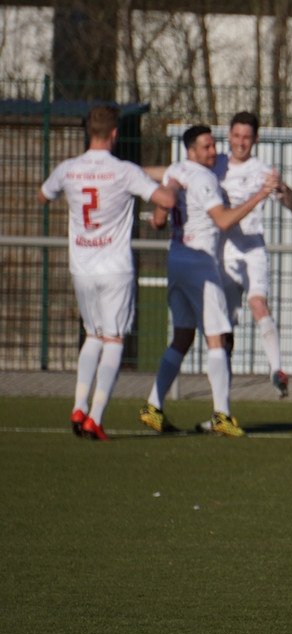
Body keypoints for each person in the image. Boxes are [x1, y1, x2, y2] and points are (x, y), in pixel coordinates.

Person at [37, 104, 178, 441]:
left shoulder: (69, 168)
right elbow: (165, 200)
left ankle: (78, 404)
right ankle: (95, 418)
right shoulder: (124, 171)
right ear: (115, 133)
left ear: (89, 131)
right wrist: (173, 186)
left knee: (93, 335)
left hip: (82, 267)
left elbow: (43, 196)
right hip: (114, 268)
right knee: (114, 339)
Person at [139, 125, 277, 437]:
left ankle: (153, 406)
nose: (213, 152)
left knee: (183, 336)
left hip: (175, 259)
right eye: (206, 147)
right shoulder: (204, 179)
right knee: (217, 338)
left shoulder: (175, 172)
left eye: (213, 146)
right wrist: (259, 195)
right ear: (191, 151)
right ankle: (221, 414)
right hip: (200, 264)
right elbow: (224, 220)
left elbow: (159, 221)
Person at [213, 112, 292, 398]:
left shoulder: (263, 170)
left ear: (255, 139)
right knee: (225, 324)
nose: (240, 142)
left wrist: (283, 189)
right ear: (228, 135)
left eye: (246, 137)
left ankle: (277, 370)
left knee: (258, 304)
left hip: (253, 250)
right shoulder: (217, 166)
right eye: (236, 136)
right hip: (224, 252)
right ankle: (222, 393)